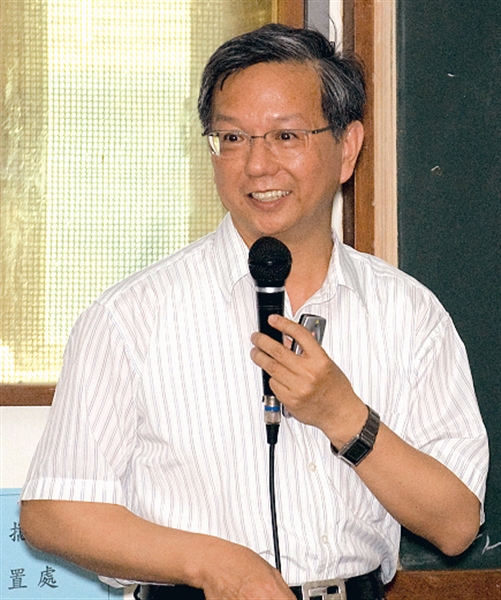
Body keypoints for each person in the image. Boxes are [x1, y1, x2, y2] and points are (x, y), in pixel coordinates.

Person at [20, 24, 488, 600]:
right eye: (233, 138)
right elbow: (54, 511)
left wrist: (343, 416)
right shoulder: (132, 315)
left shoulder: (408, 312)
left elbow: (456, 524)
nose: (258, 165)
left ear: (347, 148)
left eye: (286, 136)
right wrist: (215, 564)